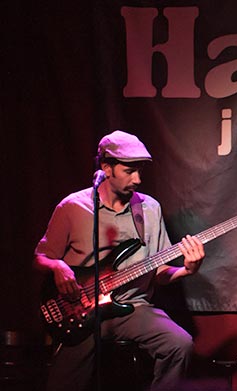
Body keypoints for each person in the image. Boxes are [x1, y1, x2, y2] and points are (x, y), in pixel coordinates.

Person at [34, 130, 206, 391]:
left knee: (180, 344)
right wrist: (57, 266)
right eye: (129, 171)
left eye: (140, 171)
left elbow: (159, 271)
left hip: (132, 306)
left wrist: (186, 271)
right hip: (82, 311)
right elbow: (41, 256)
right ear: (107, 167)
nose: (137, 179)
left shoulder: (149, 208)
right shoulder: (73, 207)